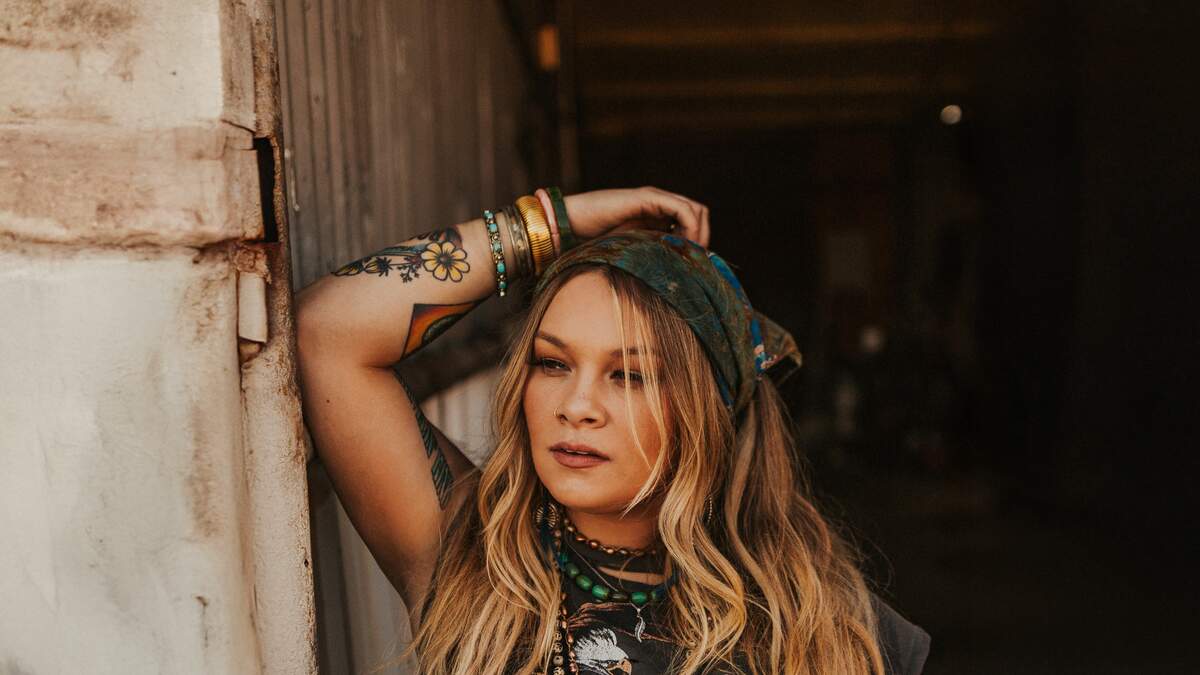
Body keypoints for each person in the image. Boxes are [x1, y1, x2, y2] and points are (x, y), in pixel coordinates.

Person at [295, 187, 930, 674]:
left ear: (708, 409)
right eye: (552, 363)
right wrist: (551, 221)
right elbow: (329, 330)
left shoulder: (823, 623)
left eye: (629, 375)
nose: (576, 406)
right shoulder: (468, 554)